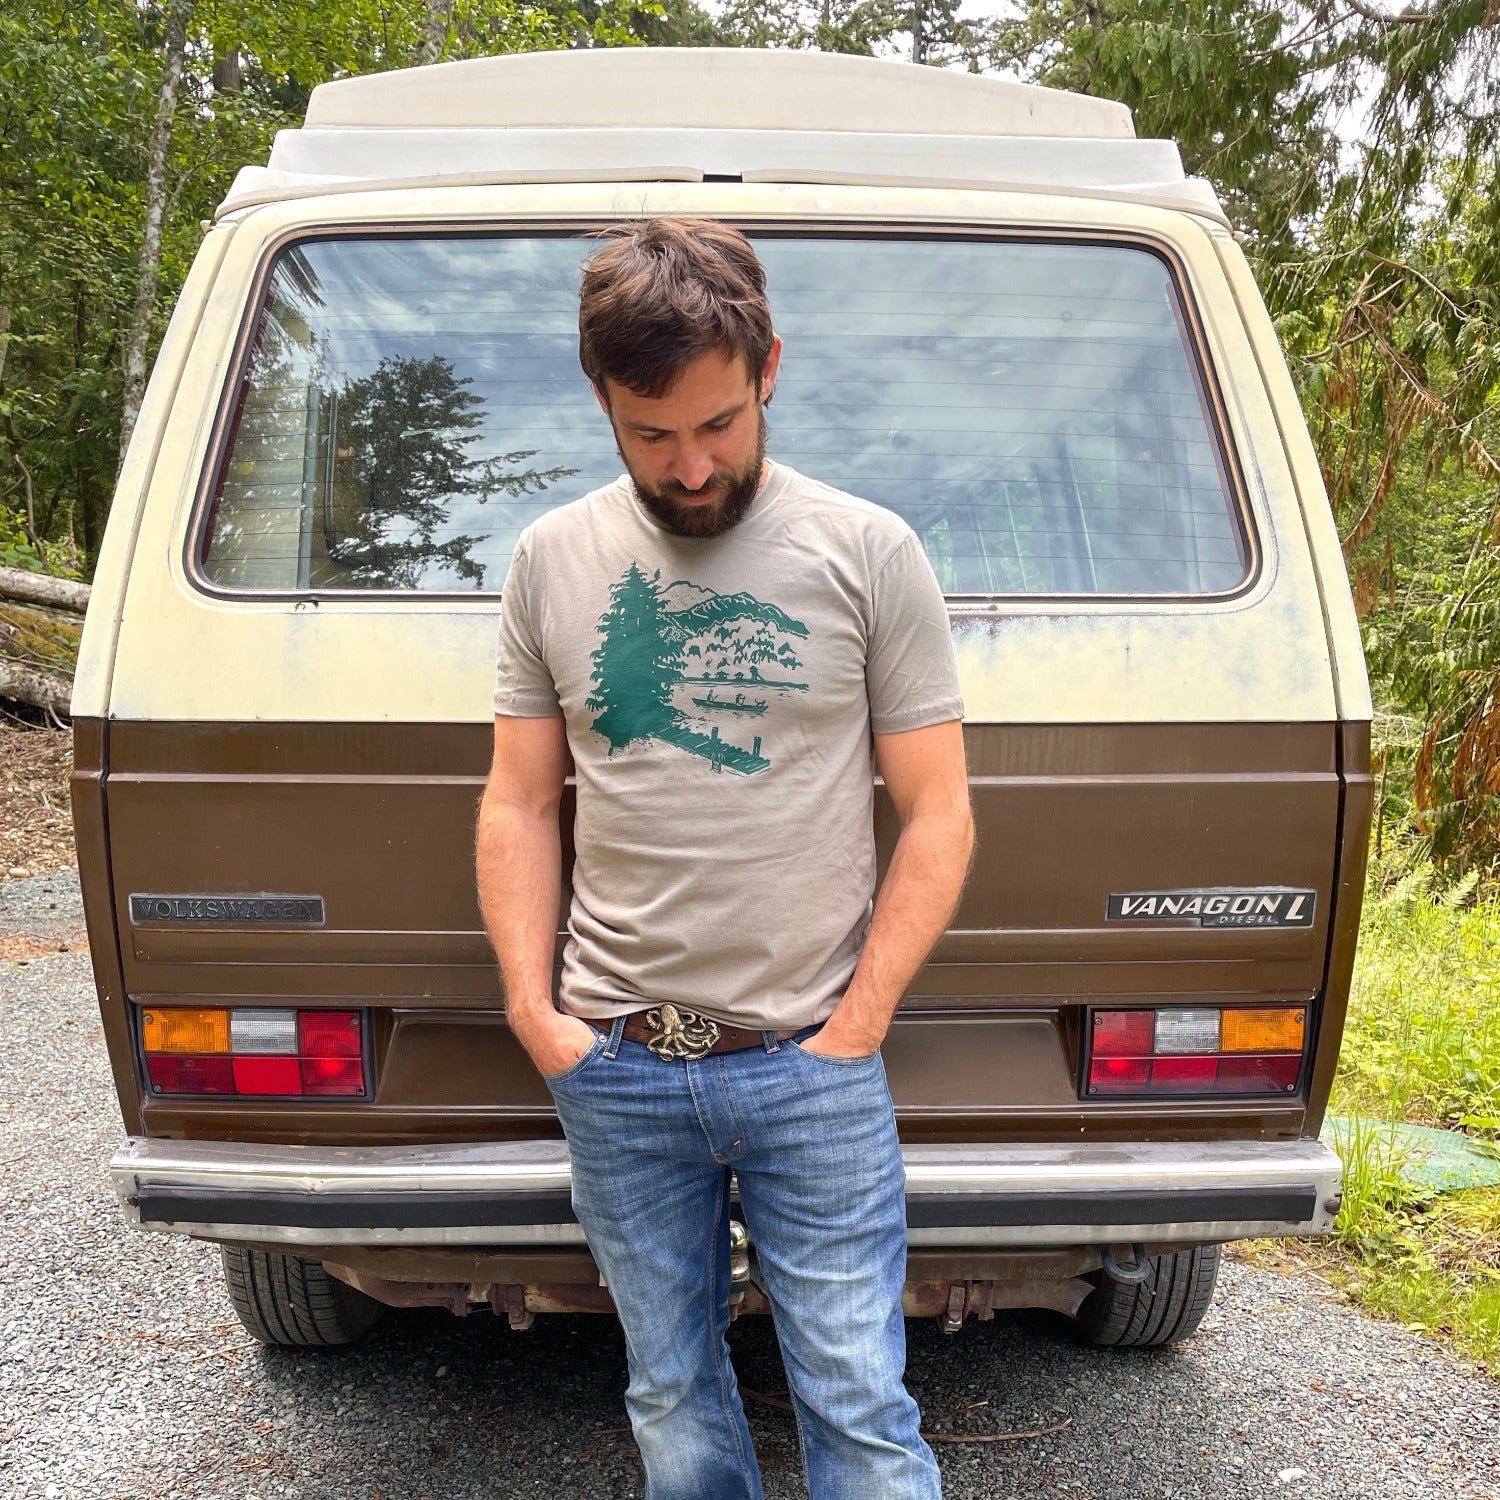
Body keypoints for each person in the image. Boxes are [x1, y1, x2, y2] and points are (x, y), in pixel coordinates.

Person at [476, 217, 973, 1500]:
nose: (691, 467)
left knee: (860, 1403)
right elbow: (522, 802)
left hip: (810, 1062)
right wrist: (537, 1017)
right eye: (651, 435)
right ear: (602, 399)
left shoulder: (869, 553)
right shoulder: (551, 562)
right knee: (670, 1393)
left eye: (717, 425)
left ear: (769, 372)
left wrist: (856, 1029)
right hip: (618, 1063)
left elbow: (939, 811)